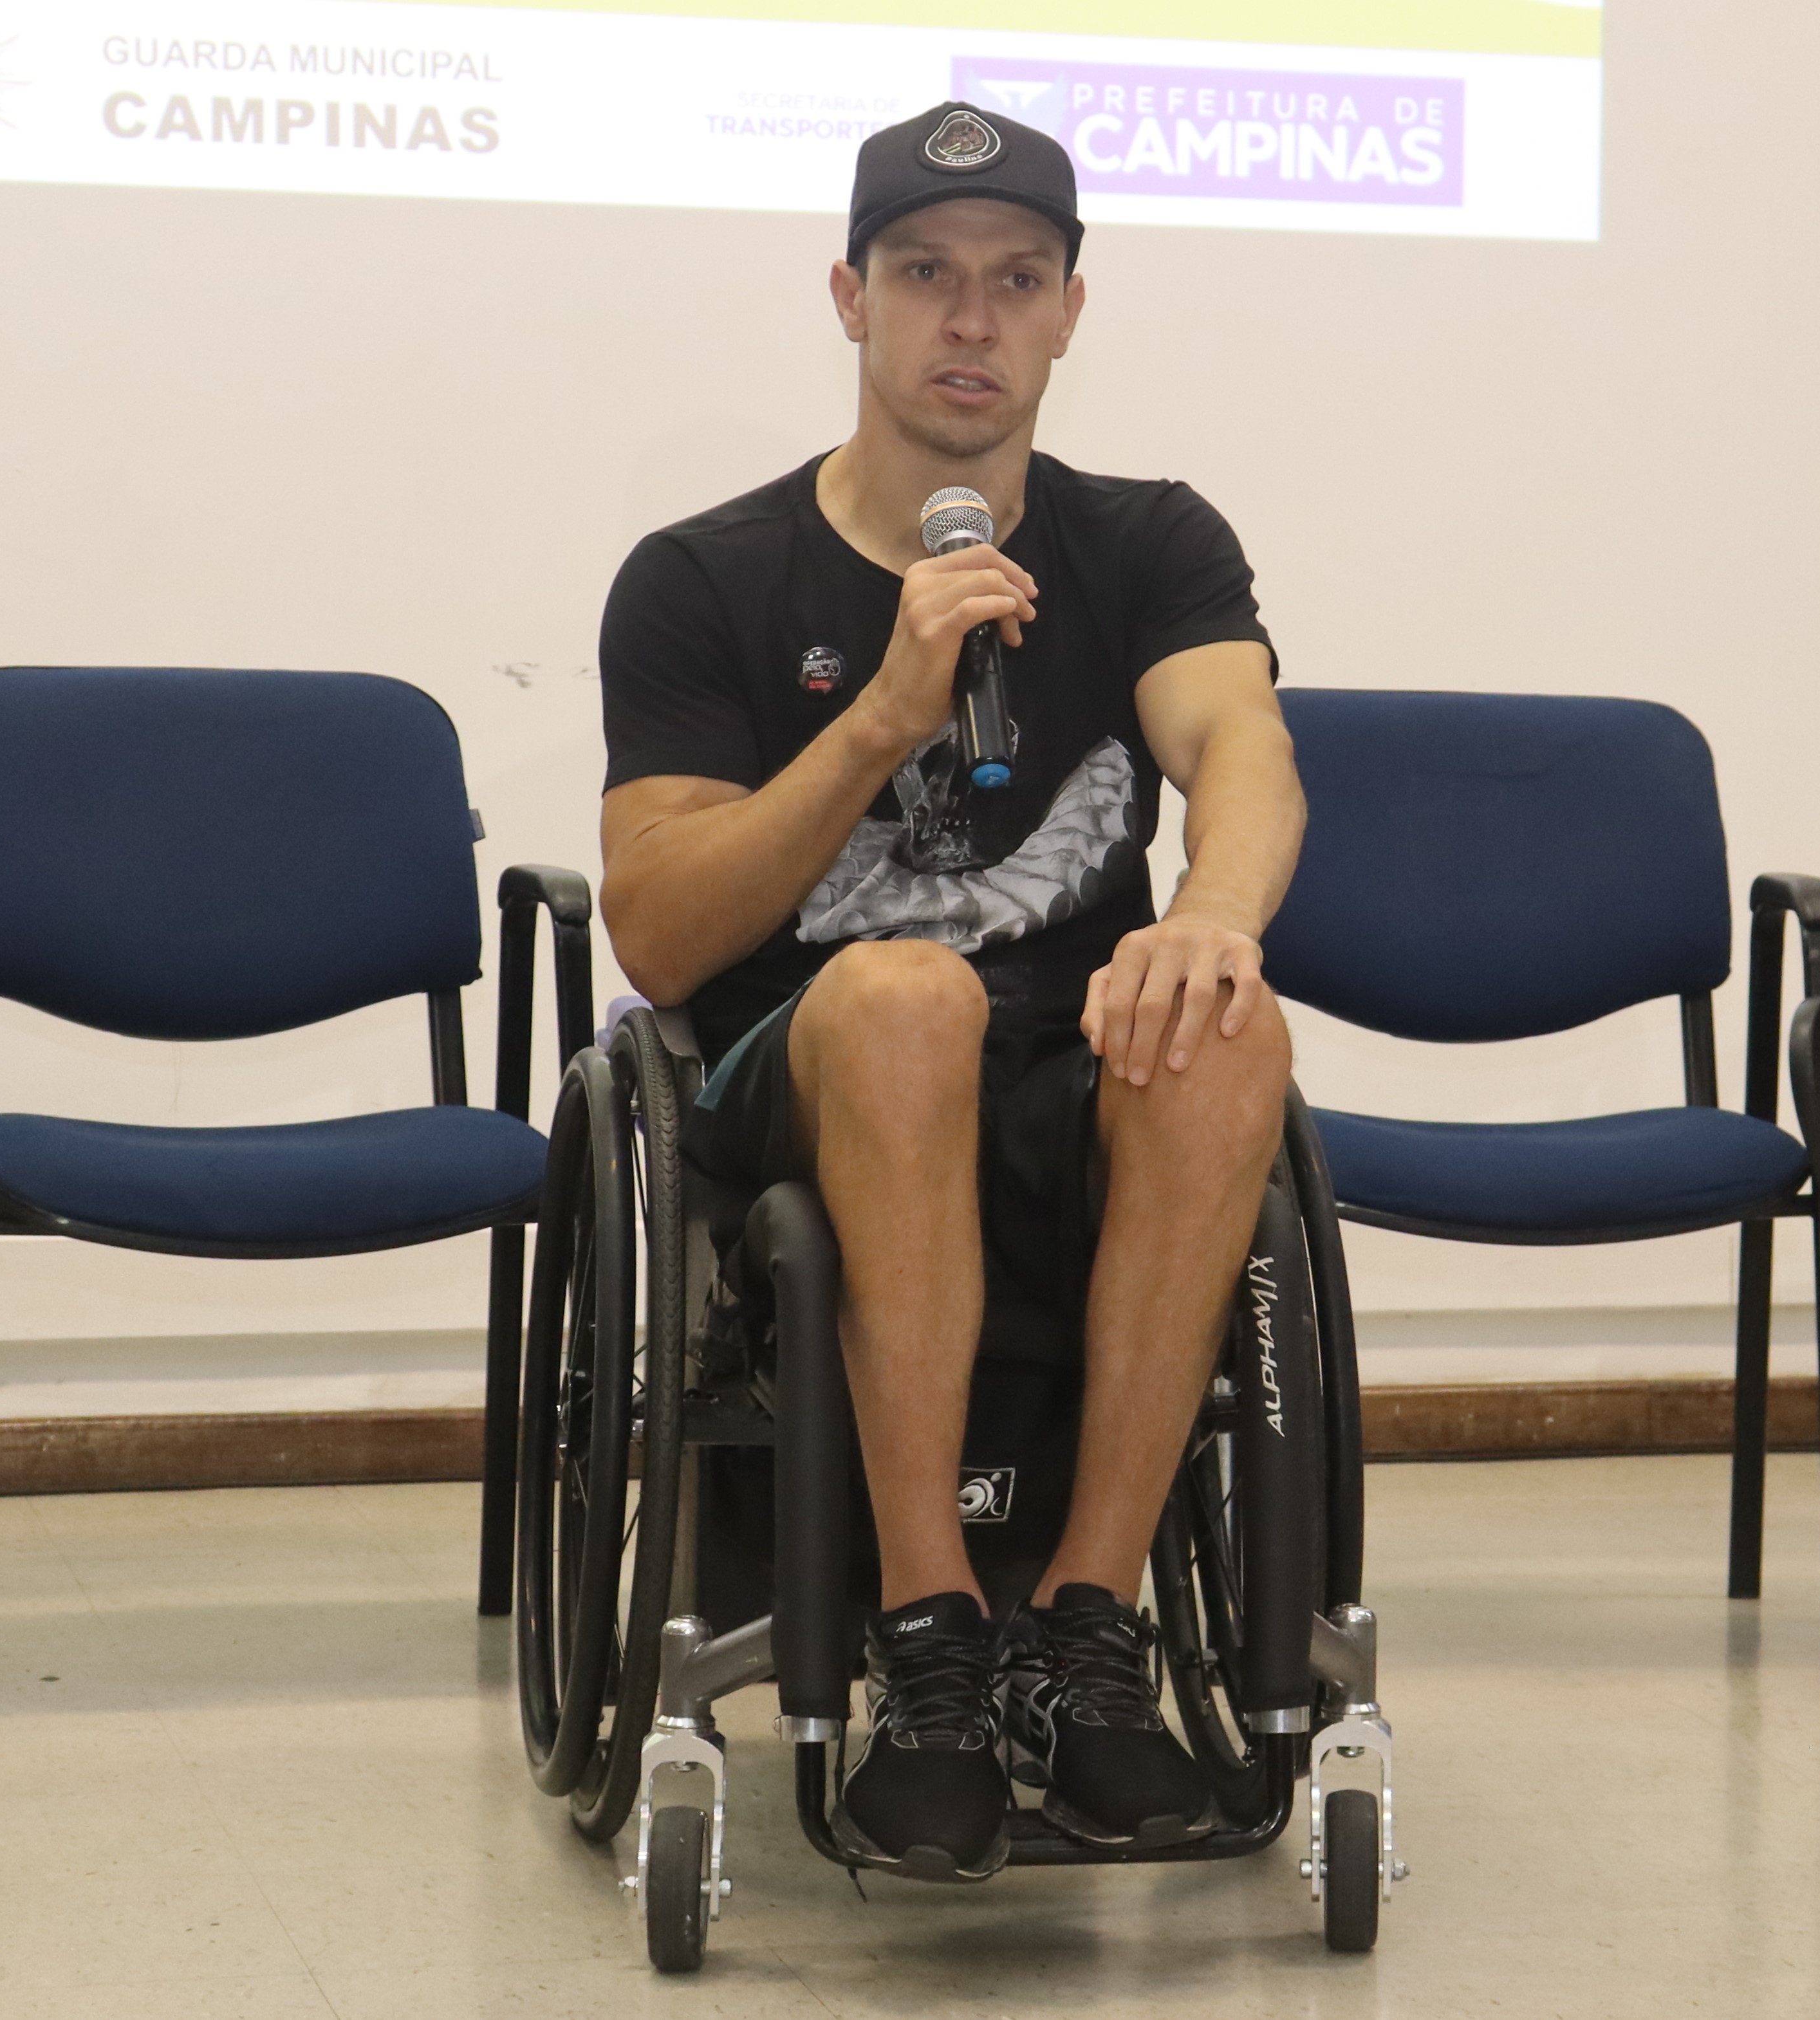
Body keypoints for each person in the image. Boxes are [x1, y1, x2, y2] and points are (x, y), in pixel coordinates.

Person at [595, 100, 1305, 1884]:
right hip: (802, 1056)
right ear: (849, 298)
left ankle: (1084, 1630)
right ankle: (925, 1642)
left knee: (1228, 1022)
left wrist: (1208, 918)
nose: (968, 321)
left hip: (1068, 1059)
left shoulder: (1148, 541)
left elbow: (1239, 745)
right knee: (907, 993)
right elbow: (661, 933)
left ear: (1072, 310)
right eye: (924, 275)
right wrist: (881, 719)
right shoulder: (703, 577)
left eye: (1014, 280)